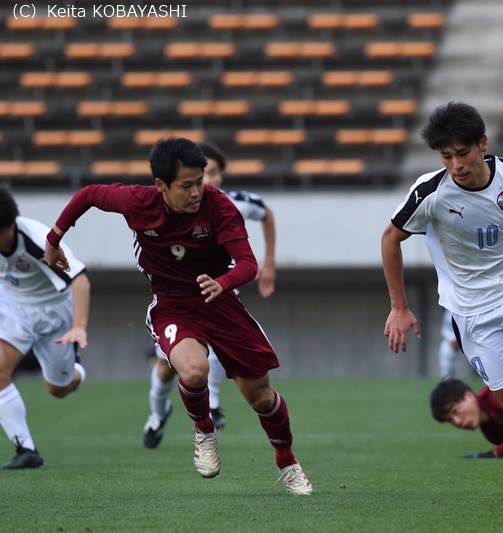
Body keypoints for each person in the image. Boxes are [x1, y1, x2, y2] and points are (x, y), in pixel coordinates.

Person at [44, 138, 312, 494]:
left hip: (221, 303)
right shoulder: (137, 202)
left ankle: (287, 462)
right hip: (172, 305)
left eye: (200, 181)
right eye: (187, 185)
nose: (197, 191)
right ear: (161, 186)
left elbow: (248, 263)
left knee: (262, 397)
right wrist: (54, 237)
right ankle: (204, 431)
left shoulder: (220, 206)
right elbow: (89, 194)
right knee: (195, 371)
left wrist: (223, 282)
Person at [382, 102, 503, 499]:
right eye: (446, 156)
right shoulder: (430, 192)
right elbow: (390, 240)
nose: (456, 164)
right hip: (474, 314)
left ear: (482, 144)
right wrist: (399, 306)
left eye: (463, 153)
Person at [142, 141, 277, 448]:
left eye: (211, 174)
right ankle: (156, 415)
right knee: (166, 369)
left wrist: (269, 261)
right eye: (204, 174)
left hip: (222, 294)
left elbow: (266, 213)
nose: (209, 181)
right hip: (177, 301)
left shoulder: (232, 203)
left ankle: (212, 406)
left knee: (216, 351)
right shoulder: (168, 206)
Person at [0, 187, 90, 469]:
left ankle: (76, 370)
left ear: (11, 226)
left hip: (54, 312)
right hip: (14, 308)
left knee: (58, 389)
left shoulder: (39, 240)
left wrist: (79, 327)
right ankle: (26, 449)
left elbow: (81, 280)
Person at [438, 309, 461, 379]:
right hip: (448, 344)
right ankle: (447, 388)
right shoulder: (449, 312)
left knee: (453, 371)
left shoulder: (461, 310)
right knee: (446, 373)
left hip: (457, 346)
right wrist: (452, 340)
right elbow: (445, 329)